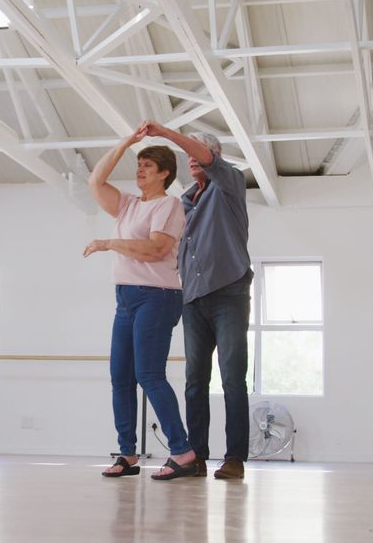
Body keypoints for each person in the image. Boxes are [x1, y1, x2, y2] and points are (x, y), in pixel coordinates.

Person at [84, 125, 198, 480]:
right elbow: (95, 181)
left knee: (149, 375)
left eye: (148, 166)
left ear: (165, 173)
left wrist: (109, 244)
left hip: (158, 296)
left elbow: (156, 250)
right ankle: (128, 454)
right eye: (139, 165)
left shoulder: (169, 205)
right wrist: (125, 144)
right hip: (126, 298)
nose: (140, 171)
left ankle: (182, 451)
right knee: (120, 378)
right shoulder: (128, 205)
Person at [142, 121, 252, 480]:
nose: (191, 157)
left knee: (232, 378)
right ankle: (197, 456)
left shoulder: (230, 185)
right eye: (187, 154)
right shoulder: (185, 203)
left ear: (213, 156)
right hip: (193, 300)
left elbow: (205, 157)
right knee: (194, 381)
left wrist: (166, 134)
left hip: (229, 294)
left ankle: (234, 457)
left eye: (196, 151)